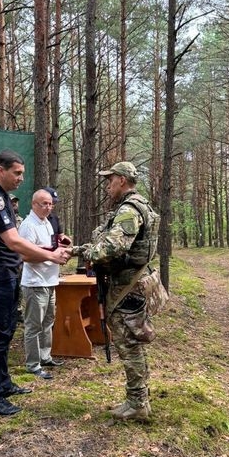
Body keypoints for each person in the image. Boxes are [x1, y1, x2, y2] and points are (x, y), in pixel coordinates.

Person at [0, 149, 71, 416]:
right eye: (16, 173)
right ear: (0, 170)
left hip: (6, 272)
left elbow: (19, 245)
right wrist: (50, 255)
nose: (20, 178)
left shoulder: (3, 197)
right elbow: (15, 242)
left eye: (22, 174)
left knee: (6, 331)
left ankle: (3, 383)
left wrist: (50, 250)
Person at [70, 162, 160, 421]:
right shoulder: (139, 206)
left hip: (127, 287)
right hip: (131, 283)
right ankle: (138, 399)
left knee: (130, 345)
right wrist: (79, 250)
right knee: (132, 344)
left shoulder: (129, 209)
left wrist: (86, 253)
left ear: (122, 180)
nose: (108, 185)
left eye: (110, 180)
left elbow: (113, 247)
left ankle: (138, 404)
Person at [18, 189, 65, 380]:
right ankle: (33, 364)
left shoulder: (47, 223)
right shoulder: (28, 225)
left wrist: (60, 252)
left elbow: (50, 249)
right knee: (33, 325)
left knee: (48, 323)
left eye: (50, 204)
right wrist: (51, 257)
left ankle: (45, 357)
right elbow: (25, 255)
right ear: (34, 204)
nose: (48, 207)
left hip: (50, 280)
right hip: (35, 283)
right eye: (44, 204)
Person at [10, 194, 24, 322]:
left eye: (16, 202)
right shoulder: (5, 221)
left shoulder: (22, 221)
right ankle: (9, 312)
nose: (15, 204)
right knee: (10, 286)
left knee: (19, 286)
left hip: (20, 260)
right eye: (12, 202)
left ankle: (18, 311)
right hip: (8, 260)